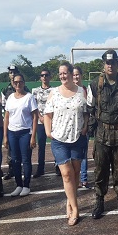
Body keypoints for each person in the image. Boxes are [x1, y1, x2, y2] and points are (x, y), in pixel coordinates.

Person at [86, 49, 118, 219]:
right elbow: (90, 108)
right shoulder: (95, 84)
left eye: (113, 62)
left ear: (117, 64)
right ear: (104, 64)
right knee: (100, 171)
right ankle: (99, 201)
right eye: (107, 63)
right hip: (102, 135)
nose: (110, 65)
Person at [44, 62, 88, 226]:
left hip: (77, 139)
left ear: (71, 73)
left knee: (76, 173)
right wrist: (48, 133)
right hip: (59, 140)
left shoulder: (80, 92)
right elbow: (47, 114)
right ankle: (75, 208)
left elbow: (86, 113)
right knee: (67, 173)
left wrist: (84, 127)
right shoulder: (54, 93)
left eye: (65, 73)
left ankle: (70, 202)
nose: (63, 76)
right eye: (60, 73)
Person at [3, 74, 38, 197]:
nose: (18, 84)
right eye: (15, 82)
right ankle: (18, 185)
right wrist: (5, 136)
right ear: (12, 83)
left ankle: (26, 185)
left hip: (25, 133)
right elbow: (6, 117)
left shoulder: (29, 97)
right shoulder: (10, 97)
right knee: (15, 160)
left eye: (20, 82)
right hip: (12, 133)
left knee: (26, 160)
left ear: (24, 83)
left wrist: (33, 136)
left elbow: (35, 117)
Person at [1, 65, 30, 180]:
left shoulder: (26, 90)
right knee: (11, 154)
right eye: (10, 72)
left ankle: (25, 177)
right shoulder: (5, 90)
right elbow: (4, 108)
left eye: (14, 72)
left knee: (24, 155)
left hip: (24, 128)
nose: (12, 74)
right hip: (11, 126)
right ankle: (11, 170)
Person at [32, 69, 53, 178]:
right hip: (40, 122)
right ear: (40, 77)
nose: (44, 77)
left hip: (52, 121)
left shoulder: (54, 90)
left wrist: (50, 118)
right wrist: (40, 117)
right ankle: (40, 168)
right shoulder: (35, 91)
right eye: (42, 75)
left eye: (46, 75)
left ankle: (59, 167)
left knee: (55, 145)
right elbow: (34, 106)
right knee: (41, 146)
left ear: (50, 77)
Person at [73, 66, 89, 188]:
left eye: (77, 74)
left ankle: (83, 178)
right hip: (71, 130)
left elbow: (87, 110)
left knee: (83, 155)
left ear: (81, 75)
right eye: (73, 75)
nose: (75, 77)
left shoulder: (85, 90)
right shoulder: (67, 90)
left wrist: (85, 127)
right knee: (73, 157)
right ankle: (75, 179)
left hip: (83, 129)